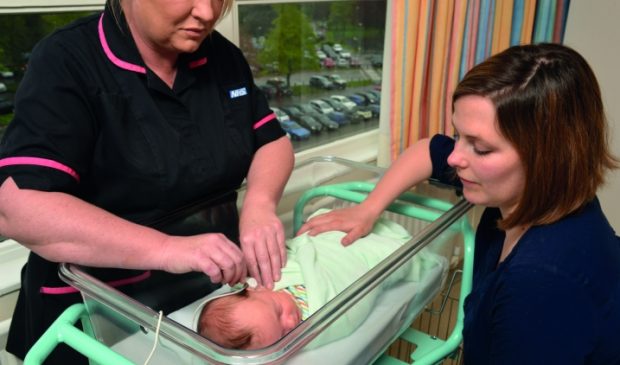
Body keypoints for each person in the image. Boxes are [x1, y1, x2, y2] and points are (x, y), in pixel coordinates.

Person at [0, 0, 294, 364]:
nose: (206, 12)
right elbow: (18, 206)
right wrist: (167, 248)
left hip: (205, 294)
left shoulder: (221, 56)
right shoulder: (68, 60)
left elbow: (272, 141)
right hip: (100, 310)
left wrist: (260, 204)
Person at [298, 43, 620, 364]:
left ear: (546, 159)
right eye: (458, 136)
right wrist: (368, 208)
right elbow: (428, 151)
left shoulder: (538, 285)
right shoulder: (545, 192)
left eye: (479, 148)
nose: (454, 157)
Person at [197, 211, 442, 350]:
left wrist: (302, 248)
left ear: (253, 290)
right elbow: (347, 310)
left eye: (279, 311)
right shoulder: (310, 322)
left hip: (330, 247)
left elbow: (290, 252)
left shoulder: (261, 281)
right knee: (391, 257)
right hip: (349, 270)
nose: (291, 321)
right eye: (283, 333)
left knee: (319, 226)